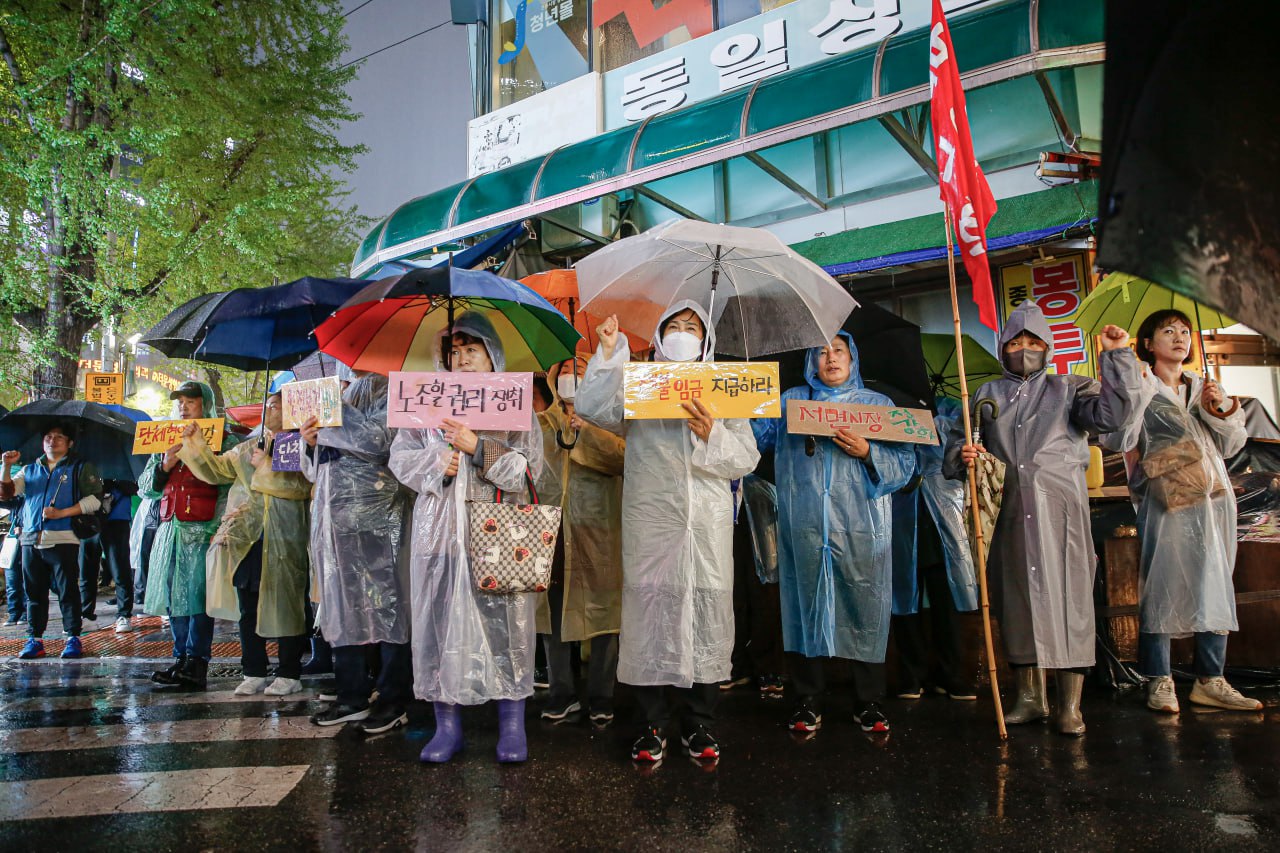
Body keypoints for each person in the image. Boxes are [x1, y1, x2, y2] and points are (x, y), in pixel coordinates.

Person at [944, 300, 1142, 736]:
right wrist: (965, 453)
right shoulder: (984, 394)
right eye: (1015, 342)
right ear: (1003, 348)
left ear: (1048, 347)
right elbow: (958, 448)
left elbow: (1113, 416)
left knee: (1069, 597)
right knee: (1015, 600)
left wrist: (1117, 358)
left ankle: (1070, 705)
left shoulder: (1070, 387)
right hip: (1007, 512)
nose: (1024, 349)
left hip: (1060, 511)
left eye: (1033, 342)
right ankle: (1030, 697)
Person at [575, 301, 760, 763]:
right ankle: (651, 724)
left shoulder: (724, 388)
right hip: (652, 520)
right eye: (673, 326)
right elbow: (595, 409)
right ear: (659, 337)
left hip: (707, 526)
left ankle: (699, 723)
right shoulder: (641, 382)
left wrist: (713, 434)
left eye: (691, 327)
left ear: (705, 339)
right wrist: (611, 352)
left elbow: (746, 458)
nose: (681, 334)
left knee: (706, 614)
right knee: (650, 614)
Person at [390, 312, 544, 763]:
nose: (461, 359)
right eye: (453, 351)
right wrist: (437, 462)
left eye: (471, 349)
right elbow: (401, 457)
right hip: (439, 535)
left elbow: (528, 471)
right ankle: (447, 726)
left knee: (508, 628)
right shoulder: (423, 403)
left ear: (492, 355)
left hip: (499, 535)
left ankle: (512, 726)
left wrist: (479, 448)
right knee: (439, 625)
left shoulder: (514, 403)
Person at [753, 333, 914, 735]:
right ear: (811, 361)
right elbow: (754, 439)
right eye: (821, 352)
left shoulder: (878, 406)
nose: (831, 358)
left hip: (862, 526)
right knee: (804, 603)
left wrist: (869, 452)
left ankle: (868, 701)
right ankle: (806, 699)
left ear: (852, 357)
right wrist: (747, 403)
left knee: (865, 605)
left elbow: (905, 464)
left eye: (838, 350)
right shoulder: (790, 401)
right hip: (804, 524)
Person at [1101, 310, 1261, 713]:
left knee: (1215, 582)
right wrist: (1131, 385)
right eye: (1168, 331)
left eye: (1185, 331)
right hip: (1166, 499)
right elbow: (1120, 436)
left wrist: (1220, 408)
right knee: (1162, 582)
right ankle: (1160, 678)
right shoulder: (1143, 383)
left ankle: (1211, 680)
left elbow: (1233, 444)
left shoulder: (1203, 385)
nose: (1180, 338)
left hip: (1214, 499)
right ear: (1148, 344)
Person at [179, 392, 313, 698]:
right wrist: (195, 444)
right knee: (248, 607)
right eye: (267, 406)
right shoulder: (250, 446)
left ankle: (289, 672)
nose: (269, 410)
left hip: (284, 538)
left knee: (287, 604)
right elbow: (217, 470)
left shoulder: (298, 444)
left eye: (275, 406)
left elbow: (297, 486)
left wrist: (266, 465)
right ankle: (253, 670)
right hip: (247, 538)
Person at [301, 370, 412, 734]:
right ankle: (351, 695)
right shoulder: (344, 393)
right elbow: (314, 470)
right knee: (342, 605)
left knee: (390, 605)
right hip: (334, 520)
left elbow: (379, 442)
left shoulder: (396, 388)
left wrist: (335, 410)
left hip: (381, 517)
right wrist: (311, 441)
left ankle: (393, 697)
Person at [534, 361, 626, 726]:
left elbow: (625, 458)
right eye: (565, 370)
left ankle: (602, 694)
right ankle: (562, 692)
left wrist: (587, 432)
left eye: (581, 368)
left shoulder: (612, 419)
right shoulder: (543, 420)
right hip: (551, 530)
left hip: (600, 530)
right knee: (553, 610)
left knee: (605, 610)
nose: (571, 377)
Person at [141, 382, 240, 689]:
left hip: (203, 527)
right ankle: (180, 657)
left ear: (205, 405)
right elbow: (145, 488)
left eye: (191, 402)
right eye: (180, 402)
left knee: (198, 596)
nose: (183, 407)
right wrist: (164, 465)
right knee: (174, 595)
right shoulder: (164, 438)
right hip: (170, 529)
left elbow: (230, 487)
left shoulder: (223, 439)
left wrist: (219, 527)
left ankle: (197, 661)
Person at [891, 397, 980, 701]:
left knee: (947, 598)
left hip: (943, 513)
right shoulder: (889, 406)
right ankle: (910, 675)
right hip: (901, 510)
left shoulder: (953, 408)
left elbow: (963, 447)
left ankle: (951, 674)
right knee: (903, 598)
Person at [1, 423, 104, 660]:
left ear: (69, 443)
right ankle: (35, 639)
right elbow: (6, 493)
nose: (52, 440)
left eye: (59, 437)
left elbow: (95, 500)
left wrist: (62, 513)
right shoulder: (29, 470)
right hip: (30, 539)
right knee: (34, 593)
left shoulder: (80, 467)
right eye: (48, 436)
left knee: (68, 591)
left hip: (64, 539)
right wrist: (5, 466)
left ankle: (73, 637)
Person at [78, 478, 139, 633]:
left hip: (117, 518)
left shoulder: (125, 469)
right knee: (87, 571)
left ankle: (124, 615)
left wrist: (115, 484)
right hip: (89, 518)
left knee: (120, 569)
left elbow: (136, 487)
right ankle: (86, 616)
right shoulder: (84, 467)